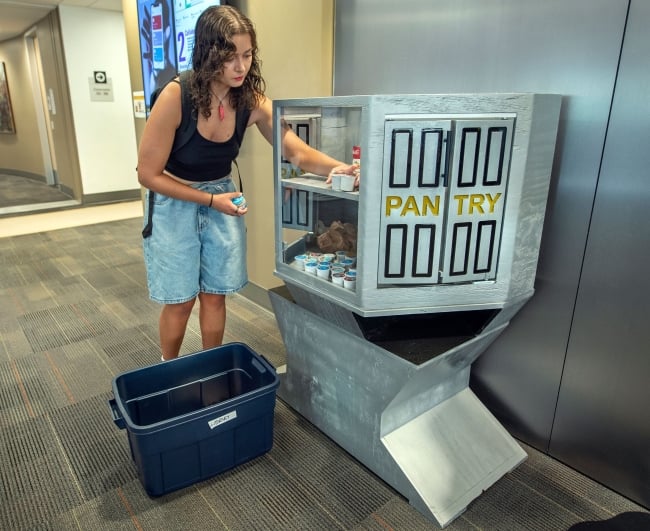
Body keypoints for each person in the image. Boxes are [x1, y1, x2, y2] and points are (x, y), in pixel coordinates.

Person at [137, 5, 357, 361]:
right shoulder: (176, 96)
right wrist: (209, 201)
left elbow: (297, 153)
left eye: (247, 55)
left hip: (221, 195)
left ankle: (211, 366)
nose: (240, 67)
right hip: (174, 200)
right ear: (209, 54)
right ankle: (169, 370)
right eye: (230, 57)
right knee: (181, 300)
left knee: (214, 294)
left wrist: (341, 167)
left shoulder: (250, 100)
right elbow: (147, 174)